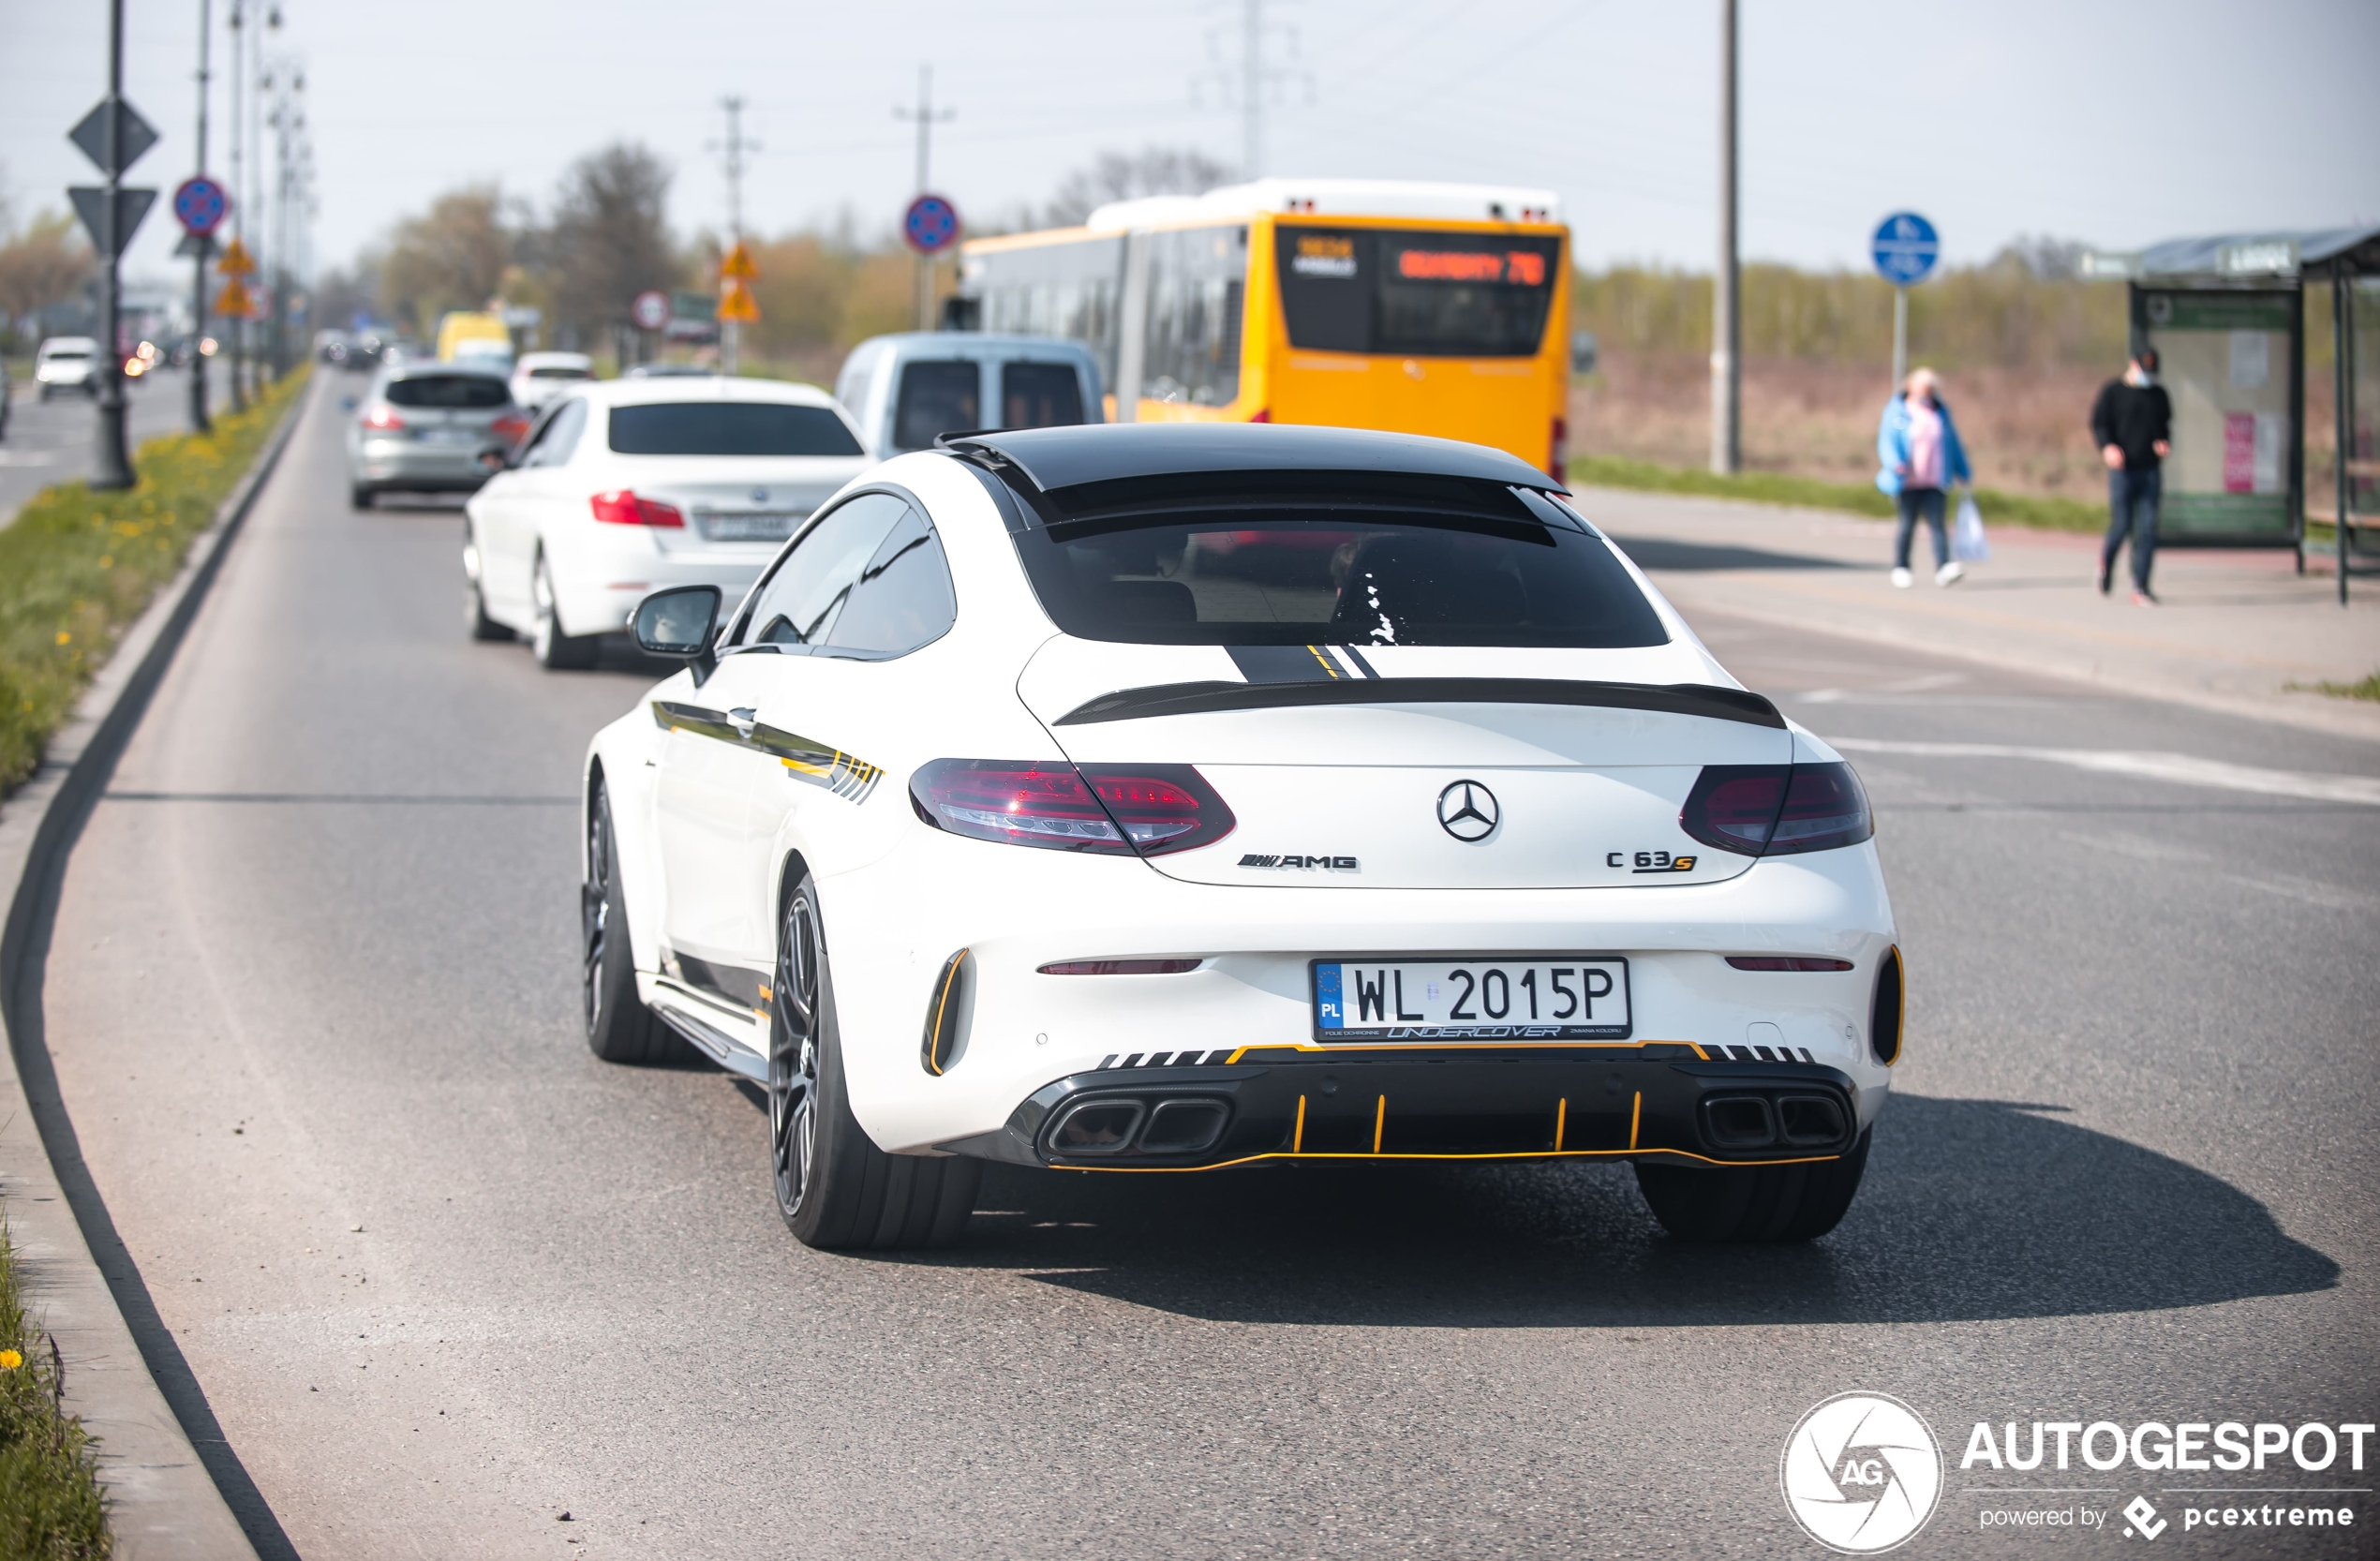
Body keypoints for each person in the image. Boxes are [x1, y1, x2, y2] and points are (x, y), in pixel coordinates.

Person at [1874, 367, 1973, 588]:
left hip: (1935, 478)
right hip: (1907, 479)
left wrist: (1963, 471)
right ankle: (1901, 566)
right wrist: (1894, 463)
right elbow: (1887, 441)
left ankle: (1943, 566)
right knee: (1907, 524)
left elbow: (1952, 443)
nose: (1927, 392)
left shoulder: (1940, 412)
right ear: (1911, 386)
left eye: (1930, 388)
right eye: (1923, 387)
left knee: (1938, 524)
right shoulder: (1897, 411)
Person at [2090, 346, 2173, 605]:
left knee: (2148, 529)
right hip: (2123, 471)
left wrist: (2163, 442)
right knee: (2122, 525)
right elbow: (2099, 424)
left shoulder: (2158, 395)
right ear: (2132, 364)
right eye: (2144, 369)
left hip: (2150, 470)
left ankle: (2141, 587)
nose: (2148, 376)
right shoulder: (2113, 392)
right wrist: (2108, 447)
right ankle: (2106, 564)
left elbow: (2164, 427)